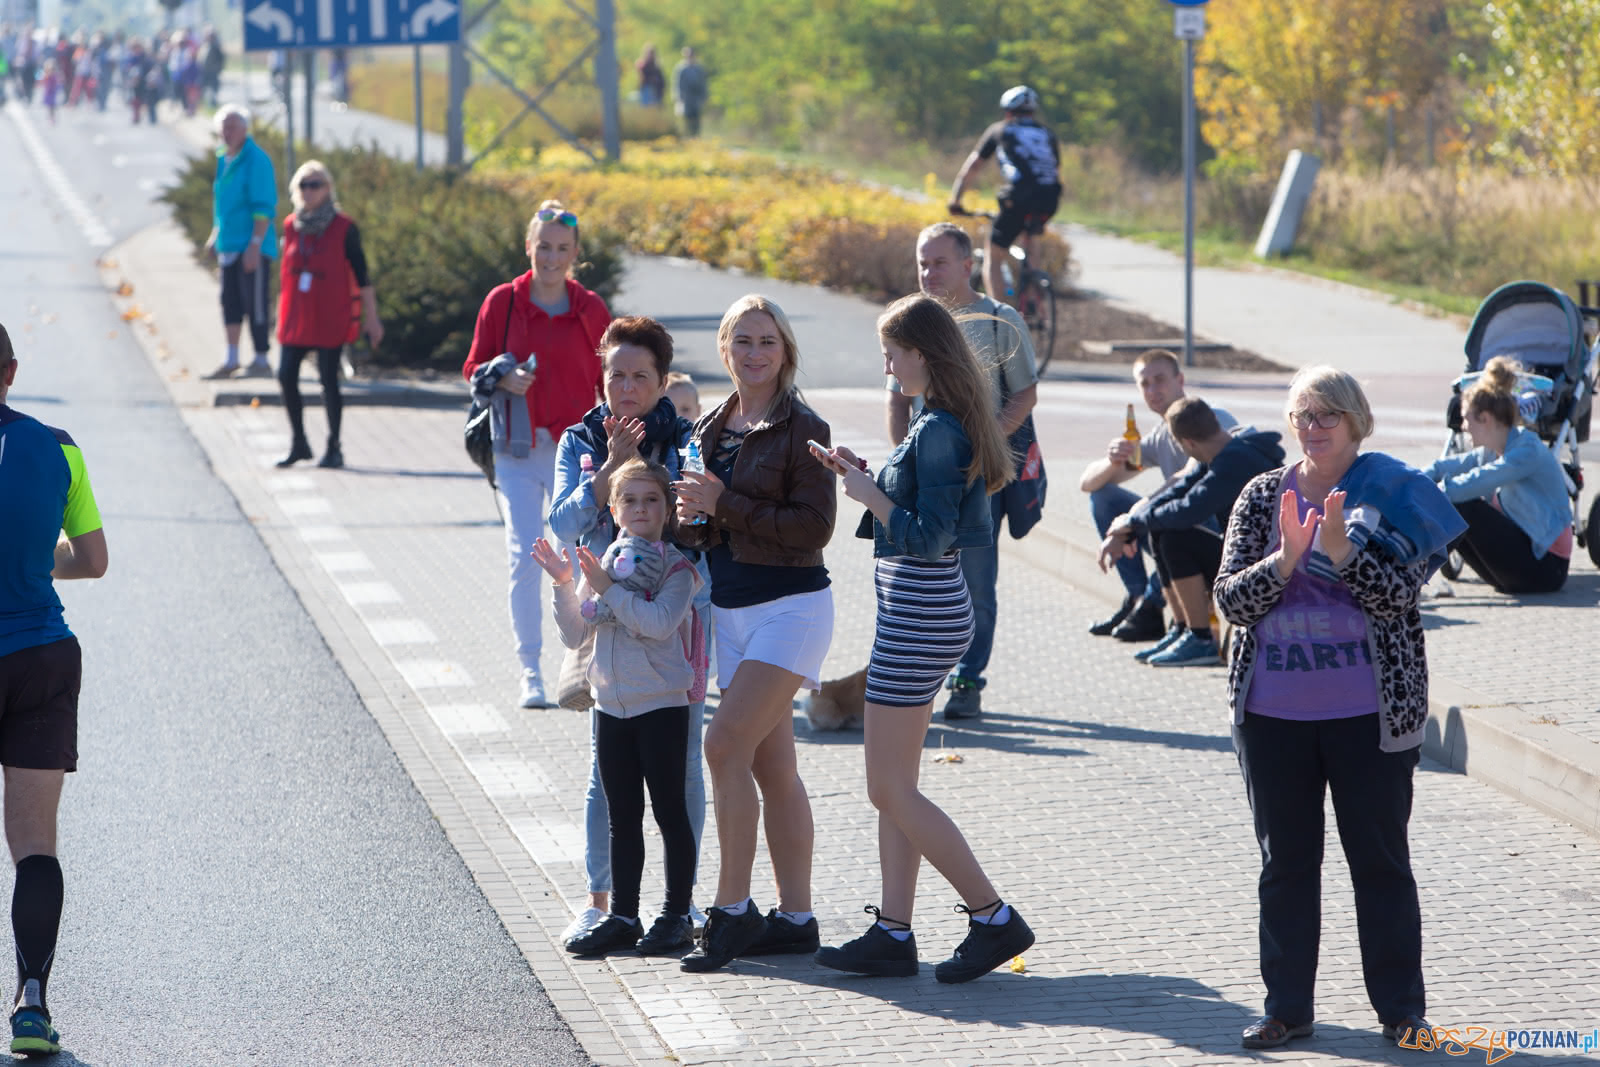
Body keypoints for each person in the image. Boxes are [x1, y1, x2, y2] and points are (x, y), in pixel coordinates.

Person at [1214, 366, 1462, 1051]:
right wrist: (1285, 561)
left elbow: (1396, 596)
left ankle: (1402, 1012)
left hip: (1368, 716)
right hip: (1273, 716)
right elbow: (1229, 602)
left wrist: (1342, 551)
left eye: (1328, 416)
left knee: (1380, 862)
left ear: (1356, 423)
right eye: (1304, 415)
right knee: (1285, 865)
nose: (1314, 427)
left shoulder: (1394, 493)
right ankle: (1286, 1008)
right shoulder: (1263, 495)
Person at [811, 294, 1035, 983]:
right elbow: (919, 508)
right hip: (922, 612)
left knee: (889, 788)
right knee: (896, 785)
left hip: (921, 615)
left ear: (923, 353)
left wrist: (870, 496)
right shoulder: (934, 420)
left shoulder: (939, 426)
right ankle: (893, 931)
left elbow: (929, 534)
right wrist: (865, 477)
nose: (886, 364)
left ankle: (993, 916)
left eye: (892, 352)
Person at [672, 295, 836, 973]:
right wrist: (691, 514)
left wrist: (724, 504)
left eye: (766, 341)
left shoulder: (805, 426)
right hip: (731, 613)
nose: (754, 352)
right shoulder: (711, 424)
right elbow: (701, 527)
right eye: (742, 341)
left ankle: (733, 909)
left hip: (790, 609)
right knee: (773, 766)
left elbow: (812, 526)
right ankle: (796, 920)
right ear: (724, 349)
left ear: (786, 350)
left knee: (722, 743)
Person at [546, 317, 707, 949]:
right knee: (604, 772)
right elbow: (562, 523)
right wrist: (607, 467)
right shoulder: (579, 437)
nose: (627, 386)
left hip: (673, 625)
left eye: (642, 376)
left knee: (680, 771)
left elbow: (699, 529)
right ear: (601, 376)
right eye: (616, 374)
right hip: (605, 627)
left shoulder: (687, 438)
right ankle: (604, 904)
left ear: (663, 382)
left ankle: (679, 908)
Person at [0, 325, 110, 1057]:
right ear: (9, 371)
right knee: (35, 845)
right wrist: (38, 563)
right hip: (40, 655)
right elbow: (94, 560)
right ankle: (32, 1003)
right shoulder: (60, 447)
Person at [464, 200, 611, 709]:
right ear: (529, 247)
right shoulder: (503, 301)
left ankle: (580, 663)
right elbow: (473, 367)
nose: (551, 257)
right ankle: (530, 670)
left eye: (562, 249)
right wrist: (501, 374)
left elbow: (608, 382)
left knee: (576, 556)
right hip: (516, 447)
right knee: (526, 554)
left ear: (575, 254)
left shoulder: (590, 308)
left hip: (574, 452)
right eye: (543, 246)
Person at [887, 222, 1036, 720]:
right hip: (925, 477)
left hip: (979, 479)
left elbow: (1024, 394)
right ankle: (922, 675)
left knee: (976, 584)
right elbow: (895, 399)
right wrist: (900, 457)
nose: (929, 272)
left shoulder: (999, 319)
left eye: (939, 262)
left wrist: (982, 447)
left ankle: (968, 679)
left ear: (968, 266)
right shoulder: (910, 320)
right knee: (920, 579)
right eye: (922, 263)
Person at [1097, 398, 1283, 666]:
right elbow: (1179, 489)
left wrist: (1132, 525)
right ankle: (1183, 630)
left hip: (1261, 564)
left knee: (1176, 536)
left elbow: (1189, 509)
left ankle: (1201, 639)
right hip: (1243, 555)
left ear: (1188, 444)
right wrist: (1130, 523)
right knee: (1161, 532)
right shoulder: (1222, 450)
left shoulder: (1236, 462)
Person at [1079, 349, 1238, 644]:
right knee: (1104, 497)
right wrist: (1112, 461)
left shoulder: (1211, 417)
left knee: (1165, 524)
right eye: (1145, 383)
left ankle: (1160, 613)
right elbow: (1088, 484)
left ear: (1180, 380)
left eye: (1160, 379)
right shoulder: (1162, 433)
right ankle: (1139, 600)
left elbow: (1189, 479)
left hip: (1225, 534)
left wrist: (1132, 519)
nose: (1153, 390)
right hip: (1184, 525)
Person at [1422, 356, 1572, 594]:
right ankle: (1408, 578)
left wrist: (1429, 494)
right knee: (1456, 504)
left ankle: (1408, 582)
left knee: (1463, 505)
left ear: (1486, 419)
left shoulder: (1527, 450)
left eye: (1466, 418)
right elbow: (1442, 468)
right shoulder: (1492, 450)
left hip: (1546, 570)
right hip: (1521, 568)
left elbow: (1474, 482)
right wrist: (1409, 483)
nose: (1463, 426)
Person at [273, 160, 384, 470]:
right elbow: (286, 274)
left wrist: (371, 319)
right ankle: (299, 442)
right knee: (285, 375)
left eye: (316, 184)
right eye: (304, 185)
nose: (309, 191)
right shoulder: (290, 226)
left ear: (328, 189)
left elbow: (362, 277)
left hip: (330, 315)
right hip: (296, 316)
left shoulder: (344, 228)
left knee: (328, 381)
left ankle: (334, 446)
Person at [947, 85, 1061, 310]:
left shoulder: (1001, 130)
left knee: (994, 254)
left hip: (1019, 197)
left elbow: (972, 168)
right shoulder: (1047, 134)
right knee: (1031, 235)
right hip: (1051, 197)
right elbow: (1055, 170)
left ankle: (999, 315)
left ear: (1008, 111)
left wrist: (956, 200)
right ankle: (1032, 297)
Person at [202, 105, 277, 380]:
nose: (227, 132)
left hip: (251, 245)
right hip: (229, 243)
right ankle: (232, 357)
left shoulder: (256, 160)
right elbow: (222, 204)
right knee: (230, 301)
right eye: (224, 127)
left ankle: (261, 358)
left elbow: (263, 206)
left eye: (233, 126)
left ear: (245, 130)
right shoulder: (224, 158)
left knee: (255, 302)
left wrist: (255, 245)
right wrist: (215, 235)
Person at [672, 47, 708, 137]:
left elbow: (703, 84)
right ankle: (686, 137)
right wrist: (678, 98)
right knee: (686, 119)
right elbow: (677, 84)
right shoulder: (681, 68)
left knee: (696, 119)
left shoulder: (699, 68)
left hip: (696, 98)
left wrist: (704, 97)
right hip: (685, 98)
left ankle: (696, 137)